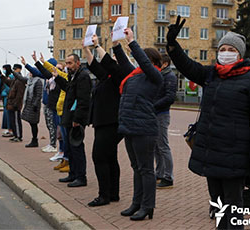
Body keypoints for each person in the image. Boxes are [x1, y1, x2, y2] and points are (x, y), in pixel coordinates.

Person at [166, 16, 250, 229]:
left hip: (235, 154)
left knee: (233, 204)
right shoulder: (212, 74)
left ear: (239, 54)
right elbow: (188, 66)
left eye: (231, 49)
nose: (225, 52)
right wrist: (173, 45)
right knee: (218, 203)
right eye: (223, 49)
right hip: (211, 153)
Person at [112, 28, 163, 221]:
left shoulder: (155, 76)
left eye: (143, 60)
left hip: (144, 129)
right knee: (136, 167)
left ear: (151, 62)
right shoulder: (135, 76)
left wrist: (133, 42)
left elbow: (142, 62)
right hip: (129, 127)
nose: (138, 62)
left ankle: (148, 206)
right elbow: (124, 63)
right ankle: (137, 203)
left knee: (146, 169)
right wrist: (116, 44)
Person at [82, 35, 130, 206]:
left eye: (114, 58)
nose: (111, 60)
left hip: (111, 123)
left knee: (99, 156)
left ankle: (104, 195)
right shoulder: (107, 77)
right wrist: (86, 48)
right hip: (103, 122)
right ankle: (113, 193)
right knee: (110, 157)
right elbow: (94, 65)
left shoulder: (120, 76)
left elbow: (108, 62)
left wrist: (97, 46)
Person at [36, 53, 91, 187]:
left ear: (78, 63)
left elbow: (83, 100)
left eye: (70, 63)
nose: (67, 66)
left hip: (75, 119)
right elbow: (68, 88)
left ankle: (80, 177)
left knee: (77, 147)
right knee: (70, 147)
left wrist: (77, 119)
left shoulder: (83, 76)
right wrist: (58, 78)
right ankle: (72, 174)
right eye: (66, 63)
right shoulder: (74, 75)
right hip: (68, 117)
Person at [154, 53, 177, 189]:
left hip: (162, 114)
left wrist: (154, 105)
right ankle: (160, 173)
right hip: (155, 113)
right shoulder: (160, 75)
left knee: (163, 146)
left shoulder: (169, 76)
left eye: (158, 62)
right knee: (157, 147)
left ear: (165, 64)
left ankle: (168, 177)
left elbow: (170, 97)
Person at [16, 57, 43, 147]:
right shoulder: (30, 80)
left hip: (34, 106)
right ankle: (34, 139)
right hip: (30, 104)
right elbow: (21, 78)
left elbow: (38, 94)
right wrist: (13, 72)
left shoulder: (38, 81)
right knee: (32, 123)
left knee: (34, 123)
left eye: (31, 72)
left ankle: (35, 140)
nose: (30, 74)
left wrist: (35, 104)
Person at [1, 64, 26, 142]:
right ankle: (15, 135)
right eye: (14, 69)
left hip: (16, 104)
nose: (14, 71)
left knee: (16, 121)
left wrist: (16, 103)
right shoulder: (15, 79)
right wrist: (2, 76)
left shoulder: (20, 80)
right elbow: (8, 82)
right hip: (12, 103)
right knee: (12, 121)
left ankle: (18, 136)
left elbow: (20, 94)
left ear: (19, 70)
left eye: (16, 69)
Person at [1, 64, 13, 138]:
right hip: (6, 98)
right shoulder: (6, 76)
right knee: (6, 115)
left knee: (9, 115)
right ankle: (8, 129)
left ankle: (10, 130)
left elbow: (9, 88)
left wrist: (4, 92)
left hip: (8, 98)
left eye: (4, 69)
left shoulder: (10, 76)